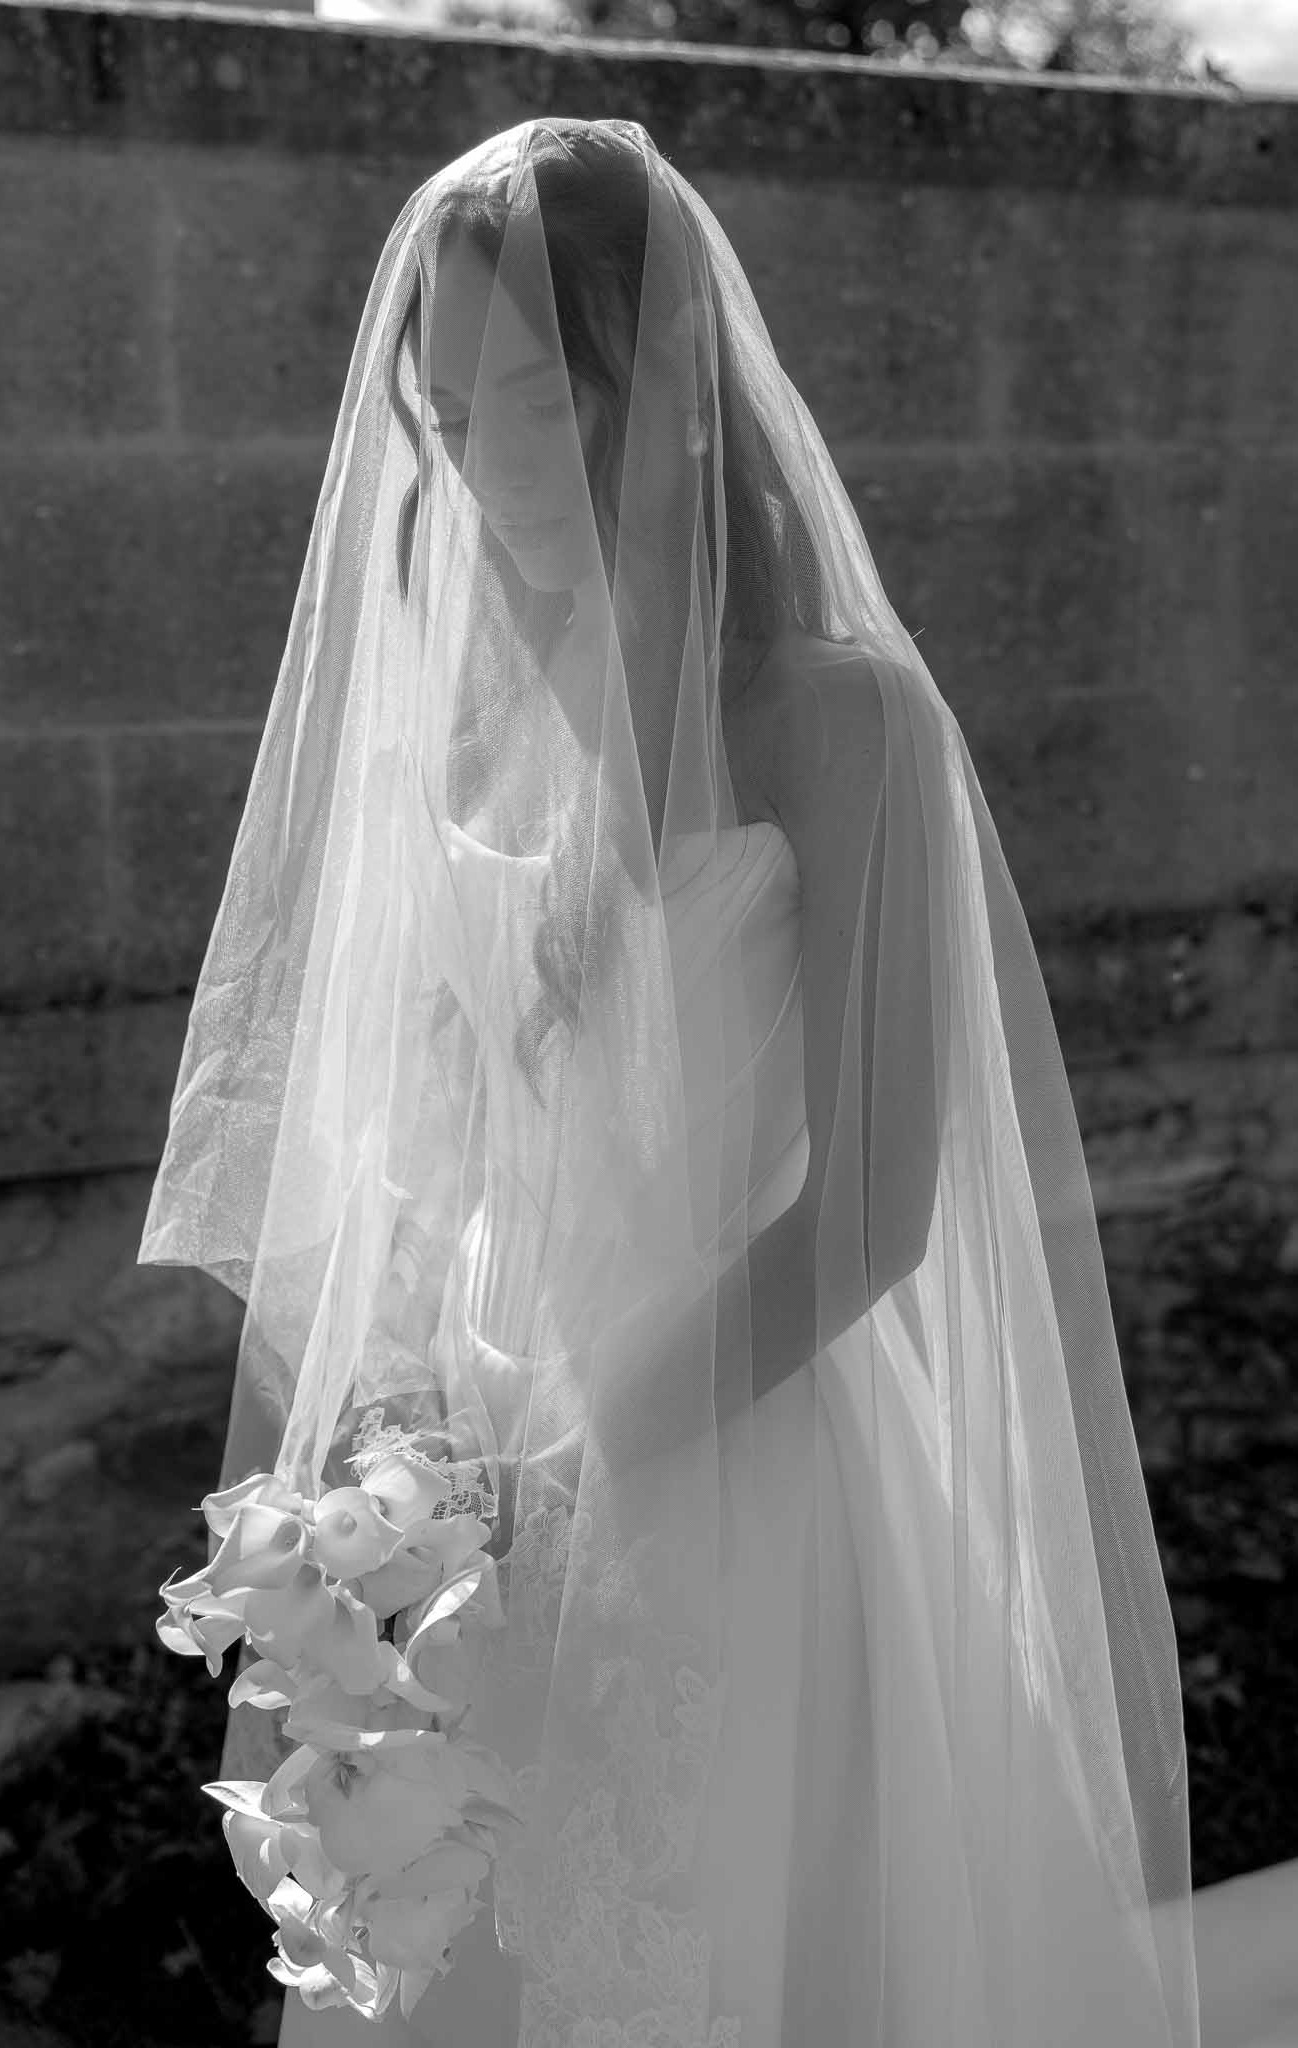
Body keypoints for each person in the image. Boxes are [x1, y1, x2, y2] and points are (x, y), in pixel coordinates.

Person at [141, 117, 1216, 2047]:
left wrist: (592, 1461)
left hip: (747, 1451)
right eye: (445, 420)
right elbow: (432, 1152)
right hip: (480, 1458)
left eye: (534, 400)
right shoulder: (469, 724)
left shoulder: (834, 718)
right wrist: (404, 1480)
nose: (490, 469)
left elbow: (875, 1210)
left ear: (672, 388)